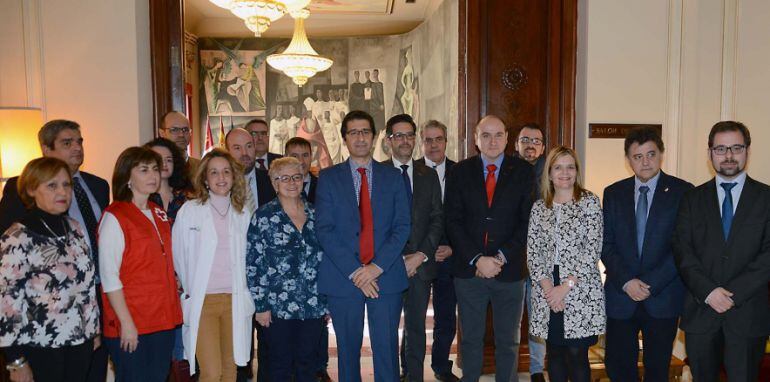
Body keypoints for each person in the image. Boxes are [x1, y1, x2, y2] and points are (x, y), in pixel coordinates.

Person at [0, 119, 110, 382]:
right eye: (52, 186)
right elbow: (7, 305)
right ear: (31, 190)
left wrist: (93, 329)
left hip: (80, 343)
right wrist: (15, 360)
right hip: (39, 347)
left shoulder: (74, 229)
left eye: (66, 185)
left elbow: (85, 287)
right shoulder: (17, 236)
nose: (62, 192)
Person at [315, 110, 411, 382]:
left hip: (386, 276)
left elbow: (402, 226)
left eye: (365, 132)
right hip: (343, 277)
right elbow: (324, 229)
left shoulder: (392, 177)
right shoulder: (329, 178)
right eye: (353, 132)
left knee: (386, 348)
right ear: (344, 138)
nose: (360, 138)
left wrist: (376, 268)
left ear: (375, 137)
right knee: (347, 350)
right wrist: (357, 271)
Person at [673, 121, 770, 381]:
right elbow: (683, 251)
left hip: (748, 315)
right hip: (701, 312)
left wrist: (731, 295)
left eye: (736, 148)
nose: (728, 155)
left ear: (747, 151)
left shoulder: (766, 198)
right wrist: (709, 292)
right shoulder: (692, 199)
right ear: (710, 153)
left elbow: (768, 256)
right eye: (721, 149)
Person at [444, 115, 534, 382]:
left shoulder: (523, 172)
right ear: (475, 139)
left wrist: (499, 258)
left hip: (509, 271)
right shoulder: (459, 172)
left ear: (507, 138)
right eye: (486, 135)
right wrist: (477, 259)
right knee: (471, 339)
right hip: (469, 273)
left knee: (509, 341)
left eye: (498, 135)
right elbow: (453, 221)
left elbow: (527, 221)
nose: (492, 141)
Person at [601, 127, 693, 381]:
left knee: (657, 369)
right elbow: (606, 244)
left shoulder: (683, 191)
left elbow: (683, 246)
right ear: (628, 159)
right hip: (622, 295)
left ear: (661, 154)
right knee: (618, 368)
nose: (645, 162)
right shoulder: (613, 193)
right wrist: (628, 281)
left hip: (663, 297)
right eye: (637, 156)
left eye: (651, 154)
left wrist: (650, 284)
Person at [98, 147, 183, 381]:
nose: (153, 175)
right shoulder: (115, 216)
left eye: (155, 169)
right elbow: (109, 275)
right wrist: (126, 323)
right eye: (143, 170)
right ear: (127, 176)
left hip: (163, 317)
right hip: (132, 320)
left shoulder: (158, 212)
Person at [172, 148, 256, 382]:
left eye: (226, 172)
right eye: (214, 172)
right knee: (211, 372)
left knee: (230, 371)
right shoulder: (190, 211)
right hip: (204, 302)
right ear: (205, 179)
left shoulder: (242, 213)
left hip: (235, 301)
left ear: (234, 177)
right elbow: (178, 255)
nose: (221, 178)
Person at [526, 146, 605, 382]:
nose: (565, 172)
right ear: (549, 173)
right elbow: (533, 251)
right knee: (555, 353)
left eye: (570, 167)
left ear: (577, 171)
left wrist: (565, 287)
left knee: (577, 354)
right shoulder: (540, 208)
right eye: (558, 167)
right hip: (546, 289)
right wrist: (550, 289)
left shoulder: (589, 202)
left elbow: (592, 249)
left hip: (579, 289)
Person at [247, 157, 327, 382]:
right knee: (279, 365)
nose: (292, 182)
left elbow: (326, 258)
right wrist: (260, 305)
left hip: (313, 304)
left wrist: (327, 300)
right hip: (276, 307)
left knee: (308, 364)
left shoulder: (316, 214)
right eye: (284, 178)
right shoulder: (263, 217)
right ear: (274, 183)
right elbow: (254, 263)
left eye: (297, 177)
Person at [384, 114, 444, 382]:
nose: (405, 140)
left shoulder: (428, 175)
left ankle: (415, 377)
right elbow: (374, 225)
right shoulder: (378, 173)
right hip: (386, 267)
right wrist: (396, 259)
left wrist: (420, 255)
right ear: (388, 141)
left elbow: (437, 218)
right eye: (399, 135)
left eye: (409, 135)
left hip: (421, 266)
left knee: (416, 330)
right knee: (385, 329)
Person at [143, 137, 193, 381]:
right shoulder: (138, 203)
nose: (163, 164)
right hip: (152, 293)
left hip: (185, 289)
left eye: (169, 159)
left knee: (183, 357)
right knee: (156, 362)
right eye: (156, 159)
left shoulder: (189, 201)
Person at [414, 120, 459, 382]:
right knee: (414, 319)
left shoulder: (460, 172)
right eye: (428, 140)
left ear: (445, 141)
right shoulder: (411, 171)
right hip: (419, 257)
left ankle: (441, 366)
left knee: (445, 318)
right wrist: (423, 250)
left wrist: (453, 247)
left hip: (449, 257)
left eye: (438, 139)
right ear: (422, 142)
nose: (433, 145)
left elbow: (467, 215)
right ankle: (409, 368)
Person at [284, 138, 330, 382]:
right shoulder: (278, 187)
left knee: (316, 334)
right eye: (294, 155)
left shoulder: (324, 185)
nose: (300, 161)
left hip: (316, 275)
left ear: (311, 157)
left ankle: (319, 369)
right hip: (285, 282)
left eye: (304, 155)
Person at [513, 123, 547, 382]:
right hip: (512, 258)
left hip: (542, 262)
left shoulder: (553, 175)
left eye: (536, 140)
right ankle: (510, 366)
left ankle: (536, 369)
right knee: (511, 320)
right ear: (516, 145)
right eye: (525, 139)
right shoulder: (507, 172)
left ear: (543, 147)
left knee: (538, 319)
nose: (530, 144)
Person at [225, 127, 276, 211]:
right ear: (227, 151)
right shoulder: (222, 184)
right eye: (237, 148)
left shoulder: (272, 180)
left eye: (249, 146)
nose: (244, 153)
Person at [145, 137, 191, 222]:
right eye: (158, 159)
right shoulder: (142, 198)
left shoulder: (185, 197)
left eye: (169, 160)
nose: (164, 164)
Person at [158, 111, 200, 178]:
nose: (181, 135)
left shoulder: (201, 168)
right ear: (162, 133)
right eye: (174, 130)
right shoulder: (155, 167)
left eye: (185, 130)